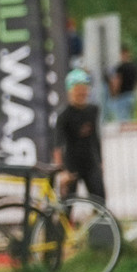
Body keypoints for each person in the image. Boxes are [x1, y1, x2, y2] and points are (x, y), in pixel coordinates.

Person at [53, 69, 105, 203]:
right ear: (70, 92)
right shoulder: (64, 115)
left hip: (90, 163)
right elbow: (57, 145)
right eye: (78, 90)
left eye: (84, 90)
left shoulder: (93, 110)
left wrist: (100, 162)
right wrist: (62, 171)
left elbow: (95, 138)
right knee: (66, 207)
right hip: (71, 166)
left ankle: (96, 224)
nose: (82, 93)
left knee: (100, 202)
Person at [110, 45, 137, 123]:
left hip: (122, 96)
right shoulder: (135, 67)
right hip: (132, 95)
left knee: (122, 119)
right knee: (130, 118)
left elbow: (117, 81)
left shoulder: (120, 67)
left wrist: (114, 93)